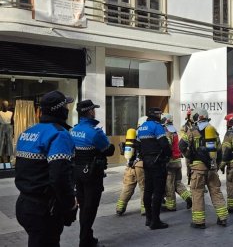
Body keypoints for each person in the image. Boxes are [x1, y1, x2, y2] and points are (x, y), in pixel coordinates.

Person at [15, 90, 78, 247]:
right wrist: (70, 204)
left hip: (24, 203)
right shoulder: (59, 134)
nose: (68, 109)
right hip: (44, 209)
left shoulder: (27, 132)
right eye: (66, 106)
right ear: (61, 110)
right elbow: (60, 176)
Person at [71, 99, 115, 247]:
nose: (94, 111)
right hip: (92, 174)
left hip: (77, 172)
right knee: (90, 207)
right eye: (94, 109)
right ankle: (85, 241)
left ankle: (87, 237)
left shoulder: (73, 130)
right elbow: (108, 150)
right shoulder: (94, 132)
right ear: (90, 111)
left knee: (84, 206)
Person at [179, 108, 228, 229]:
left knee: (197, 193)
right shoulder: (213, 130)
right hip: (211, 168)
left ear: (196, 117)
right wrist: (215, 166)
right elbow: (220, 150)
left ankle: (199, 222)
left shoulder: (191, 131)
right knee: (216, 191)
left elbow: (181, 145)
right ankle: (223, 218)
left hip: (198, 168)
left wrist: (189, 156)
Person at [137, 107, 171, 230]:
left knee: (148, 190)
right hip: (157, 162)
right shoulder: (157, 126)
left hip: (146, 162)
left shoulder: (142, 127)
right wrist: (168, 155)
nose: (161, 116)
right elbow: (164, 144)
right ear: (156, 115)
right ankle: (155, 221)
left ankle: (149, 218)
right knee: (158, 191)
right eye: (160, 114)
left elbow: (138, 145)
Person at [116, 116, 147, 216]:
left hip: (129, 166)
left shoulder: (132, 134)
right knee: (144, 188)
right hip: (140, 165)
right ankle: (145, 209)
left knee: (127, 188)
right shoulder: (145, 134)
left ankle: (120, 208)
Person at [161, 113, 192, 211]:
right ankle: (188, 197)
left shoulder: (166, 131)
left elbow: (167, 146)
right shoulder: (173, 129)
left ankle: (171, 205)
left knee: (169, 184)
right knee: (177, 182)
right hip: (177, 161)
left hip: (170, 162)